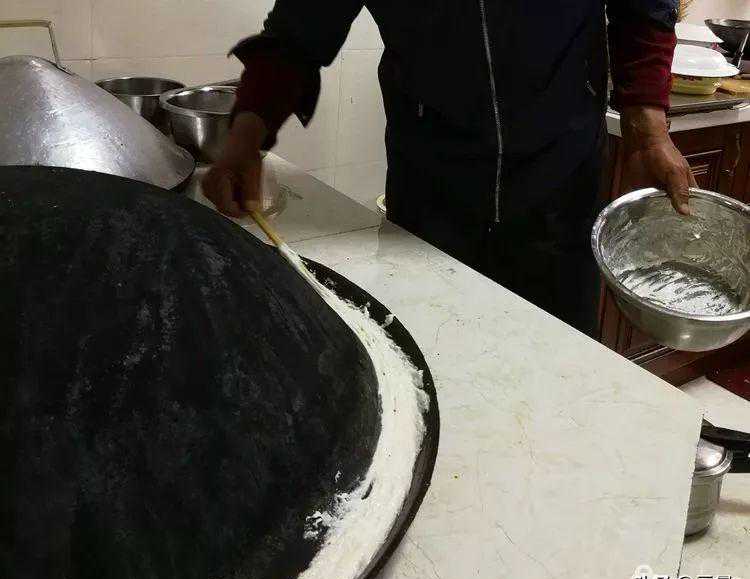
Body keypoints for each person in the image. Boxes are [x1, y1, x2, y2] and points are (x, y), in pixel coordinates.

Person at [202, 1, 695, 337]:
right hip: (432, 186)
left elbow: (643, 10)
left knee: (560, 371)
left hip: (561, 179)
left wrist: (648, 128)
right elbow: (295, 36)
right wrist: (244, 140)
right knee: (434, 359)